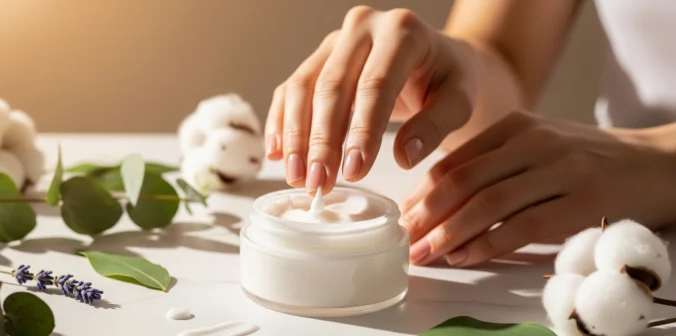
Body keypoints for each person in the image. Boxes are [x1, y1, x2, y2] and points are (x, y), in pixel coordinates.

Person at [263, 1, 676, 268]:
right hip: (611, 234)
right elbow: (507, 56)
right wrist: (464, 72)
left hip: (618, 194)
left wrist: (663, 159)